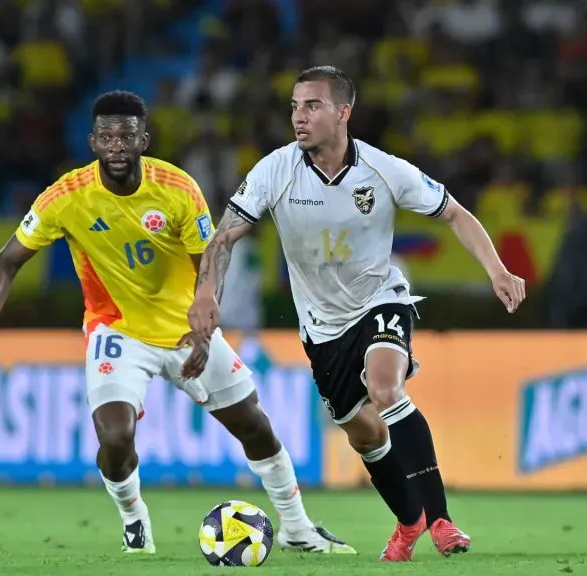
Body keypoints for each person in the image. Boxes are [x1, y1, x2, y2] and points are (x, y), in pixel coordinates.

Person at [0, 90, 355, 556]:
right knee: (115, 437)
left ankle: (297, 528)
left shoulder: (176, 189)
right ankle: (134, 521)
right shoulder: (66, 197)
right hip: (118, 330)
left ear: (143, 140)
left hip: (186, 328)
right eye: (107, 136)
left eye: (126, 137)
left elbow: (209, 262)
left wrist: (204, 327)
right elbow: (5, 261)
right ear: (92, 141)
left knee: (254, 426)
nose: (116, 145)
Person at [184, 66, 526, 562]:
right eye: (295, 106)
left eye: (312, 106)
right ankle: (409, 521)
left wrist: (496, 270)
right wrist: (206, 293)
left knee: (386, 386)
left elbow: (454, 211)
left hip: (379, 299)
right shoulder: (275, 170)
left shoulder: (385, 170)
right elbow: (225, 235)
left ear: (344, 112)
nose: (299, 117)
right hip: (321, 326)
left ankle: (442, 520)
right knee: (363, 432)